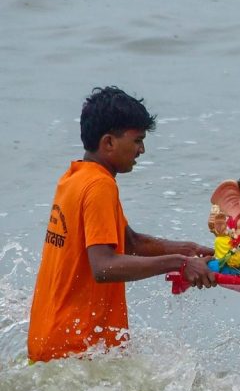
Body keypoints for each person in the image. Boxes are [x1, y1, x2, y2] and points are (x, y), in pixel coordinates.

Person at [27, 86, 216, 363]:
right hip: (76, 351)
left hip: (48, 341)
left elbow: (129, 242)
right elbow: (103, 266)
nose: (142, 149)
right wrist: (178, 263)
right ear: (108, 143)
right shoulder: (99, 185)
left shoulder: (74, 177)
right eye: (137, 140)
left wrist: (187, 250)